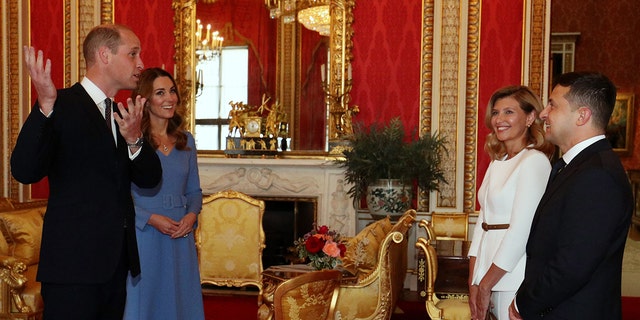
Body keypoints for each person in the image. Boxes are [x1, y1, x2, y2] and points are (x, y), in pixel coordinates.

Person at [10, 24, 162, 319]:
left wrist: (134, 140)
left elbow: (151, 179)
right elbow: (24, 170)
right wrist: (44, 106)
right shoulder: (59, 104)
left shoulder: (122, 114)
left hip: (116, 266)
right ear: (104, 55)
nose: (141, 63)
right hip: (72, 269)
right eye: (133, 54)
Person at [509, 72, 633, 319]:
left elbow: (571, 266)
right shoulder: (575, 166)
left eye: (553, 105)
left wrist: (523, 303)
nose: (543, 113)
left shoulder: (598, 175)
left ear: (582, 116)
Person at [123, 67, 204, 320]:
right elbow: (119, 196)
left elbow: (195, 191)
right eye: (160, 92)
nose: (169, 98)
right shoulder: (132, 141)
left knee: (181, 302)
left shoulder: (186, 140)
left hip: (181, 235)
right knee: (147, 301)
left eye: (172, 91)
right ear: (145, 100)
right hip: (145, 234)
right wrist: (150, 219)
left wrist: (191, 217)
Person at [468, 86, 554, 320]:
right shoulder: (498, 161)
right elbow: (482, 223)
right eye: (496, 113)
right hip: (487, 272)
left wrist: (486, 283)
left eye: (509, 112)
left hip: (513, 275)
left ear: (529, 117)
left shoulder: (534, 161)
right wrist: (474, 279)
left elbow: (521, 231)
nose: (499, 120)